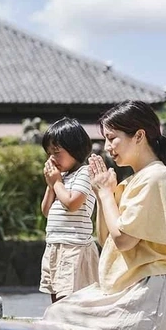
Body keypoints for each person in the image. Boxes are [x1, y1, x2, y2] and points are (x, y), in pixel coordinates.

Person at [44, 100, 166, 330]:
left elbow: (124, 240)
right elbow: (107, 240)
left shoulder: (156, 177)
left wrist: (106, 194)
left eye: (112, 138)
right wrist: (101, 193)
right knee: (58, 313)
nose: (107, 147)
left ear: (139, 136)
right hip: (130, 287)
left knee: (60, 318)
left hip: (152, 294)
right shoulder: (131, 182)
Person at [39, 117, 99, 303]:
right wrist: (51, 185)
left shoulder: (85, 172)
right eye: (49, 153)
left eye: (57, 152)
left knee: (69, 297)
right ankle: (58, 325)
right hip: (55, 245)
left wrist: (56, 182)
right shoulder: (61, 177)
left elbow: (72, 203)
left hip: (74, 247)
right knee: (55, 292)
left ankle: (69, 327)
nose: (52, 158)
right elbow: (46, 211)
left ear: (75, 148)